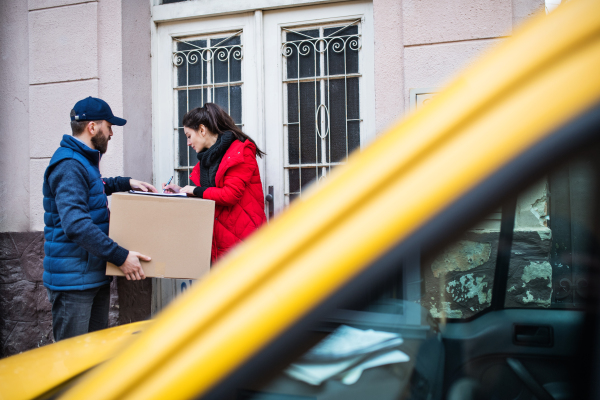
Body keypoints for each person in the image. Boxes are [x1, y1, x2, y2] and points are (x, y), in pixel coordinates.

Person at [43, 96, 157, 341]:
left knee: (92, 359)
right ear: (92, 127)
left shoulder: (82, 161)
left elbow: (93, 187)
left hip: (91, 276)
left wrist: (125, 183)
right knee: (71, 363)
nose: (112, 133)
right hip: (74, 283)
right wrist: (121, 256)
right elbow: (76, 225)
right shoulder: (69, 164)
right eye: (109, 126)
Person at [163, 103, 267, 263]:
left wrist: (195, 190)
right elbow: (210, 197)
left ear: (202, 130)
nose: (188, 143)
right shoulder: (206, 160)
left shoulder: (240, 152)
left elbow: (230, 195)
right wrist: (181, 191)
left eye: (189, 136)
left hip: (243, 243)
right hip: (218, 244)